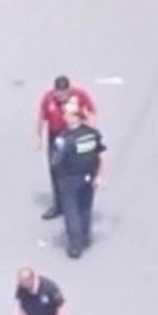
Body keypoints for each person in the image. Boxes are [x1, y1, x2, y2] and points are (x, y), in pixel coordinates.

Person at [35, 75, 97, 219]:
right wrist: (38, 136)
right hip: (55, 136)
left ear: (69, 90)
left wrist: (90, 130)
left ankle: (77, 203)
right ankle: (59, 205)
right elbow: (41, 116)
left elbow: (92, 112)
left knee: (76, 170)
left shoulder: (79, 95)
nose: (60, 96)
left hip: (74, 135)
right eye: (58, 93)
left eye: (63, 93)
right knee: (55, 168)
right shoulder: (48, 98)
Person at [50, 105, 107, 258]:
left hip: (70, 178)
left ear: (76, 117)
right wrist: (100, 175)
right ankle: (85, 237)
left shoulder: (65, 138)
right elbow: (101, 154)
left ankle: (75, 245)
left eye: (67, 114)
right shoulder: (93, 134)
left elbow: (56, 161)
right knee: (85, 208)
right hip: (89, 176)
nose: (64, 116)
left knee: (71, 210)